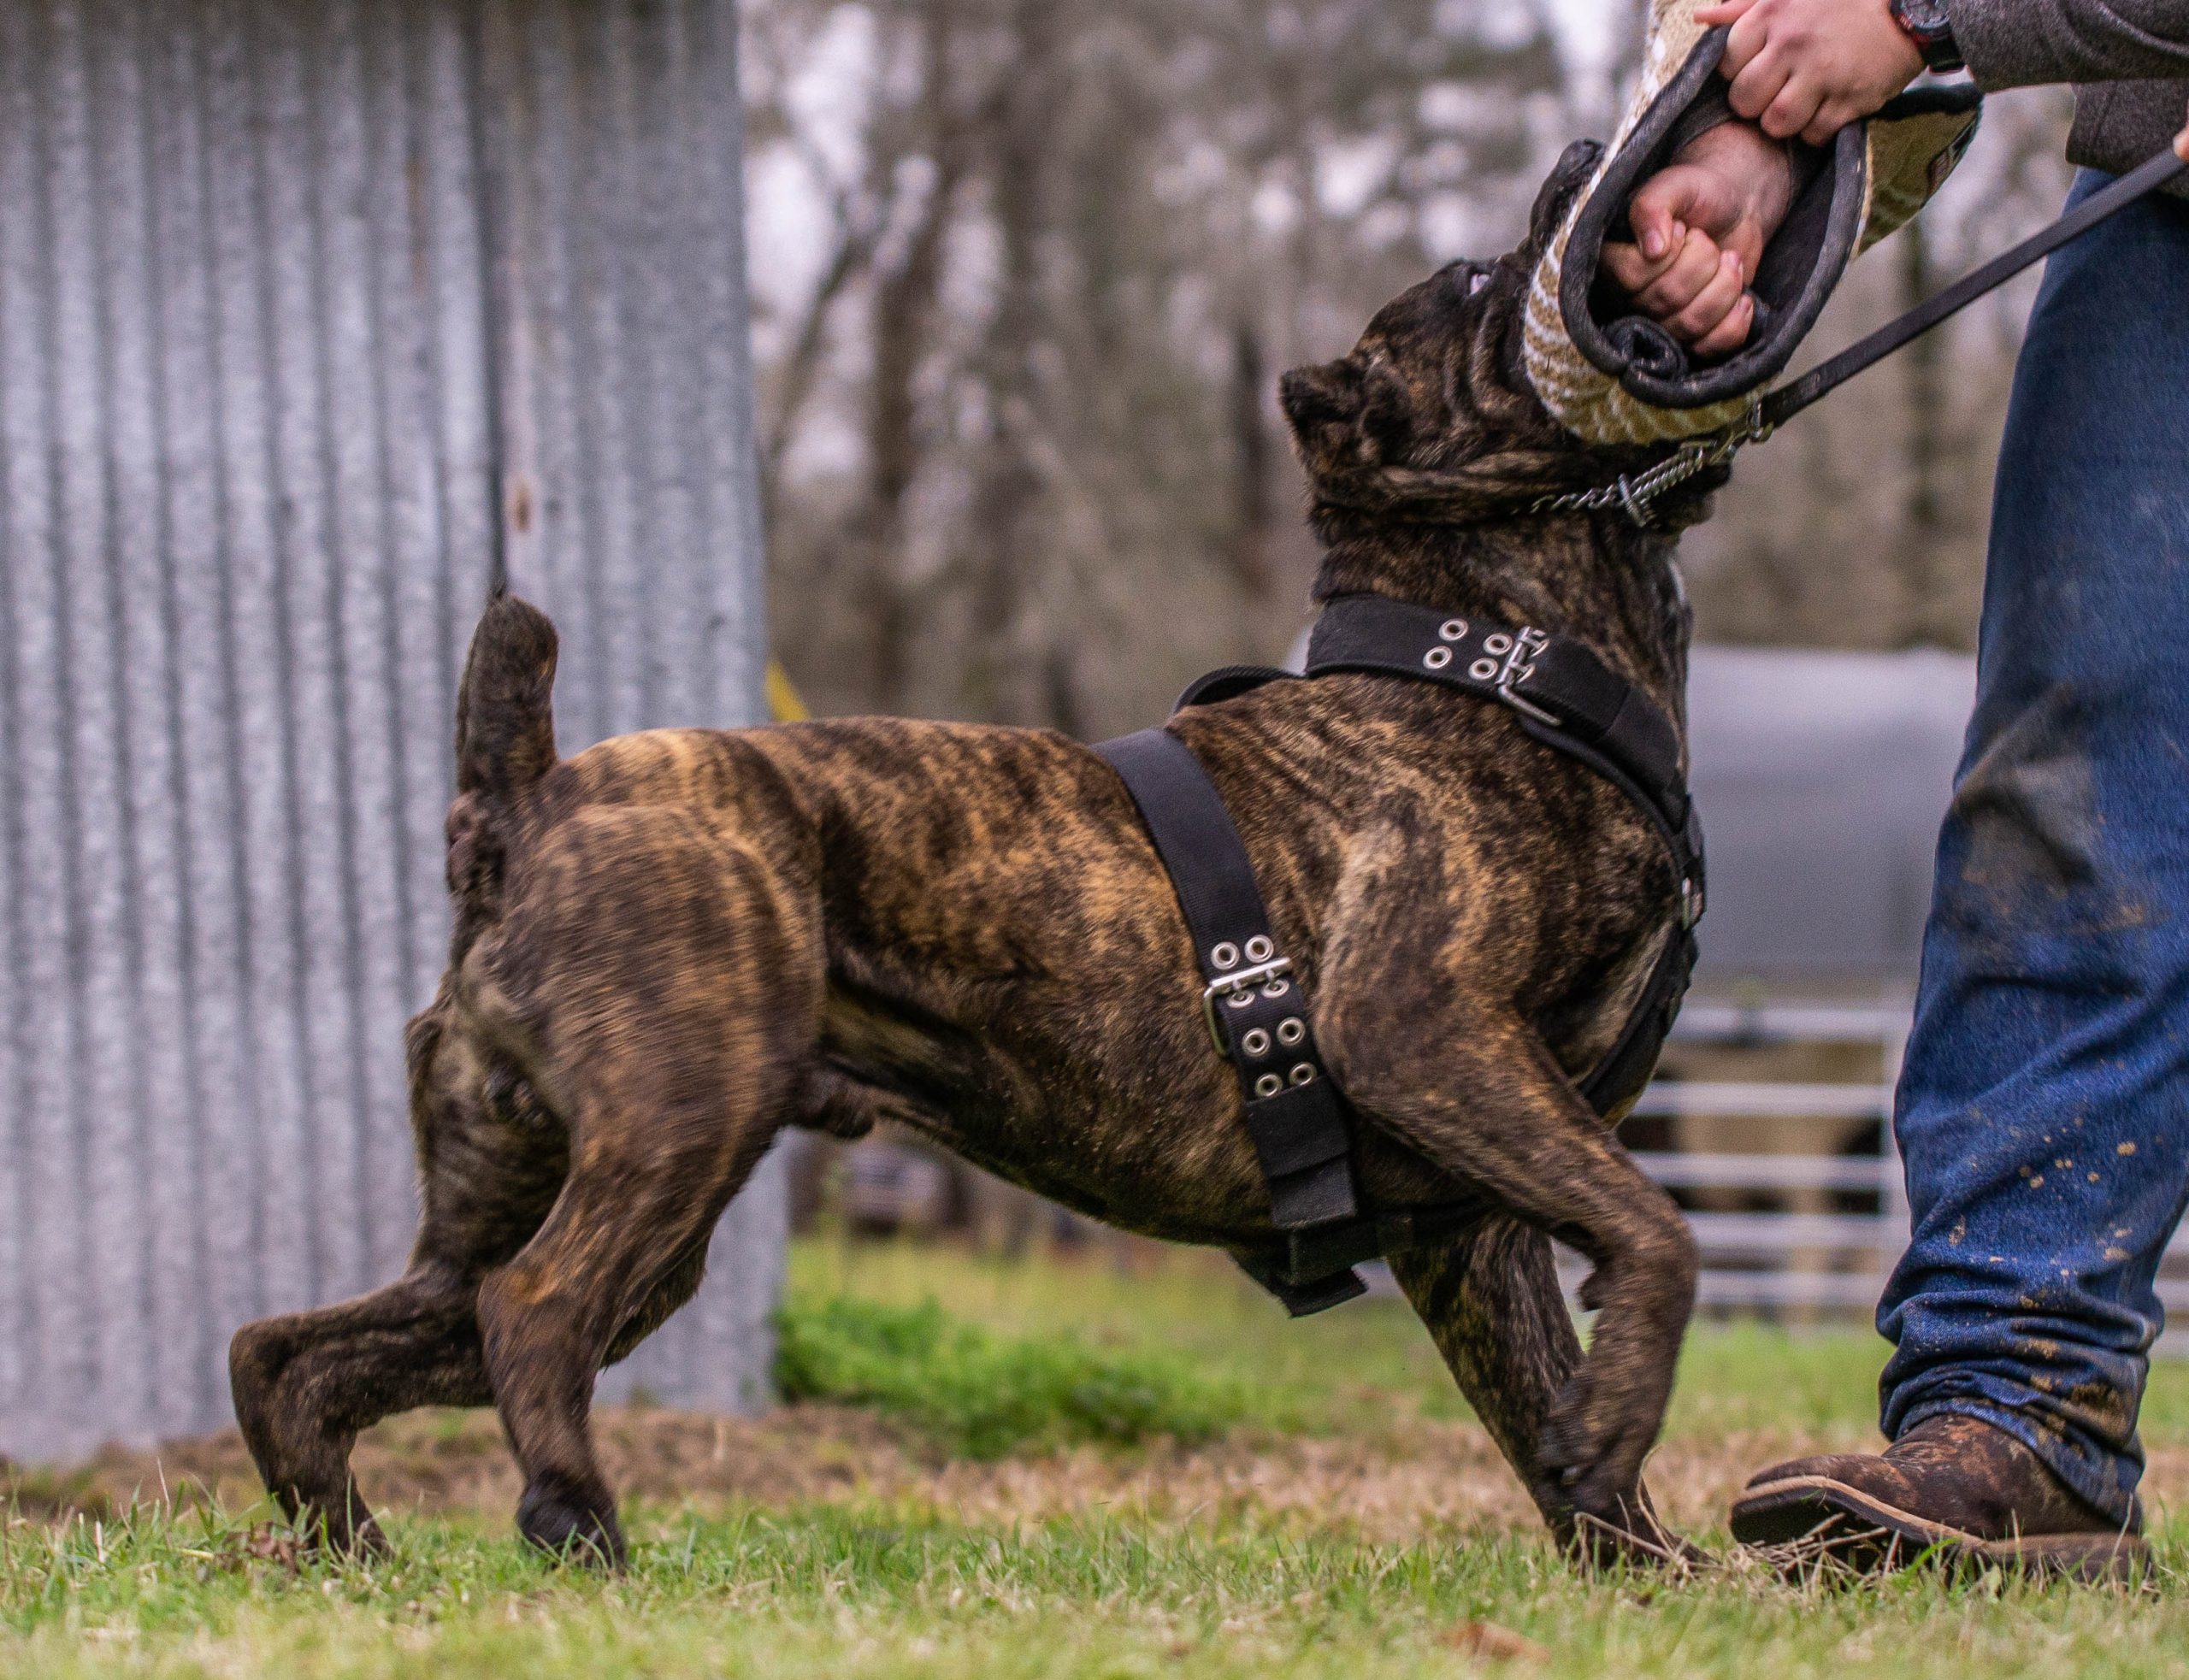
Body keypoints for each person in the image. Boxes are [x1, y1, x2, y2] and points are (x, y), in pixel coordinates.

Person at [1610, 0, 2189, 1574]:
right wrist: (1751, 139)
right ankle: (2023, 1414)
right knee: (2073, 783)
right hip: (2168, 178)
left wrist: (1931, 13)